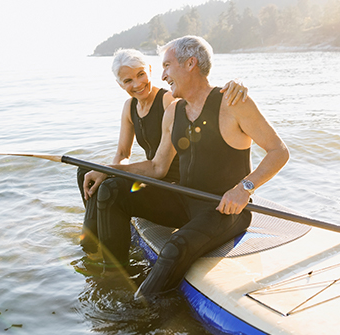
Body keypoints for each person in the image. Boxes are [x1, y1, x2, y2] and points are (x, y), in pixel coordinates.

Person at [83, 36, 290, 298]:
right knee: (112, 191)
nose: (163, 74)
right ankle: (113, 281)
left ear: (190, 63)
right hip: (184, 201)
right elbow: (157, 167)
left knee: (175, 247)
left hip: (224, 209)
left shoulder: (233, 102)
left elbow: (279, 151)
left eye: (167, 65)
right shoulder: (175, 110)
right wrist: (109, 170)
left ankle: (142, 311)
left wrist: (244, 189)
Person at [77, 48, 248, 254]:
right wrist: (109, 170)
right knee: (85, 172)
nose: (137, 84)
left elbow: (201, 96)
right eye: (128, 80)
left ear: (150, 70)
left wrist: (236, 82)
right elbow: (122, 154)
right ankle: (94, 236)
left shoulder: (169, 100)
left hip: (170, 180)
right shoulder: (129, 107)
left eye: (141, 74)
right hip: (151, 175)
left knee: (108, 184)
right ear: (120, 84)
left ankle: (104, 245)